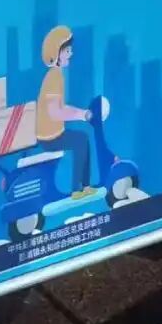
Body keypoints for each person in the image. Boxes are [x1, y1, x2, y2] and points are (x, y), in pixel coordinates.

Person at [36, 25, 98, 199]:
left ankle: (84, 186)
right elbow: (56, 112)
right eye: (67, 50)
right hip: (49, 137)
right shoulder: (54, 77)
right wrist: (82, 115)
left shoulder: (56, 75)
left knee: (82, 139)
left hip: (53, 133)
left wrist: (81, 114)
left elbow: (60, 108)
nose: (71, 54)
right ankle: (77, 189)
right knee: (80, 140)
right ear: (56, 53)